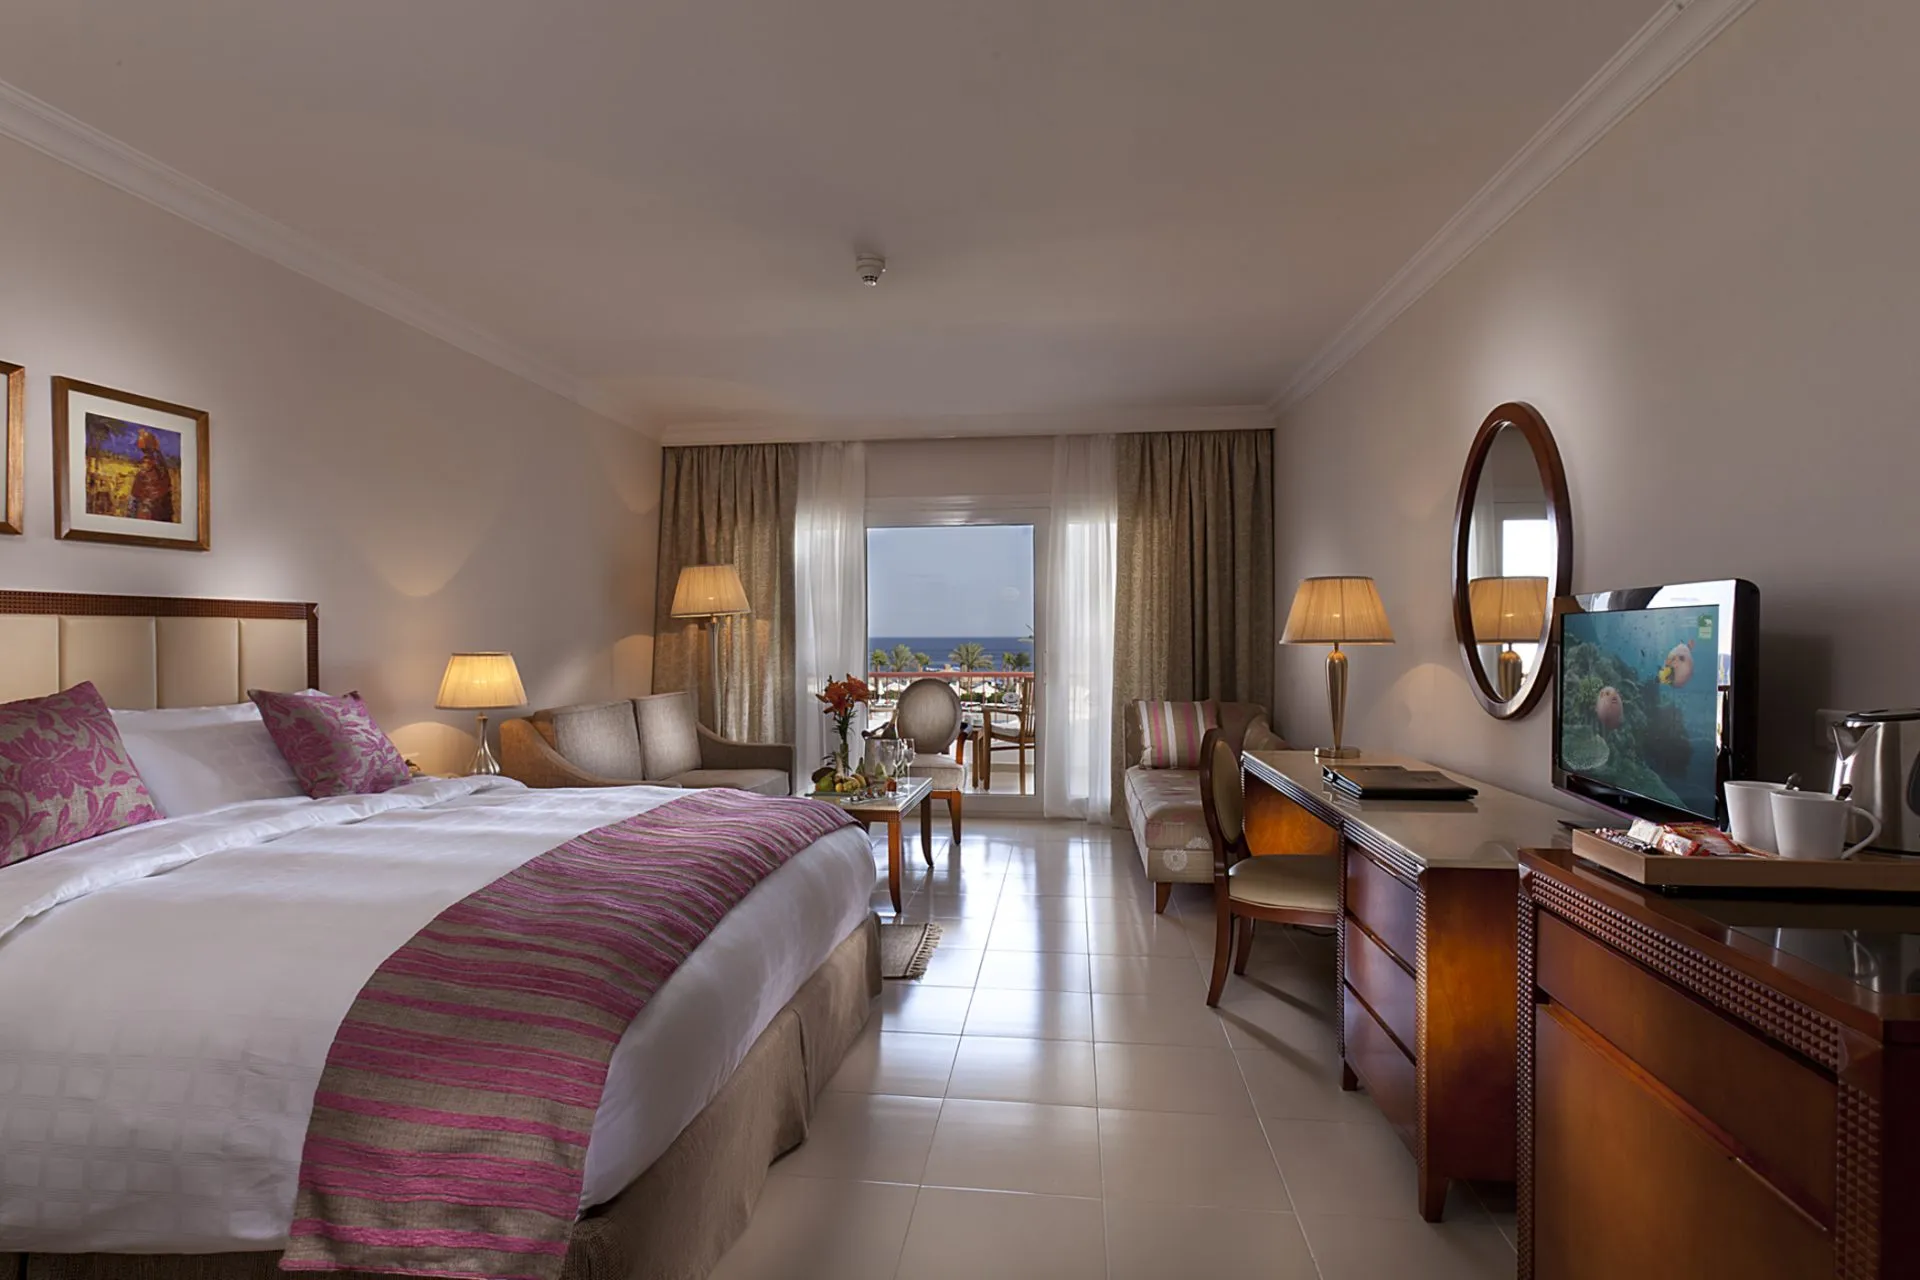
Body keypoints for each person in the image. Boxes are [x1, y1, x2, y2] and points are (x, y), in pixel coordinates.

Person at [129, 429, 175, 522]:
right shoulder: (159, 465)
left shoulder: (156, 467)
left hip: (153, 509)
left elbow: (136, 495)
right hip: (157, 508)